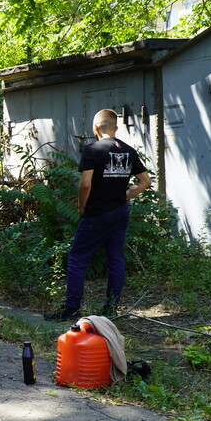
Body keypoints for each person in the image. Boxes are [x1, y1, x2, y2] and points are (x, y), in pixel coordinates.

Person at [44, 109, 152, 322]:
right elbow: (145, 181)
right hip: (120, 212)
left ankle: (72, 308)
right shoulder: (129, 151)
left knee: (77, 259)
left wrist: (81, 206)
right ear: (116, 128)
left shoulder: (92, 149)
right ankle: (111, 308)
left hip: (97, 213)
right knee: (116, 259)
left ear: (95, 128)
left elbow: (85, 184)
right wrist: (125, 195)